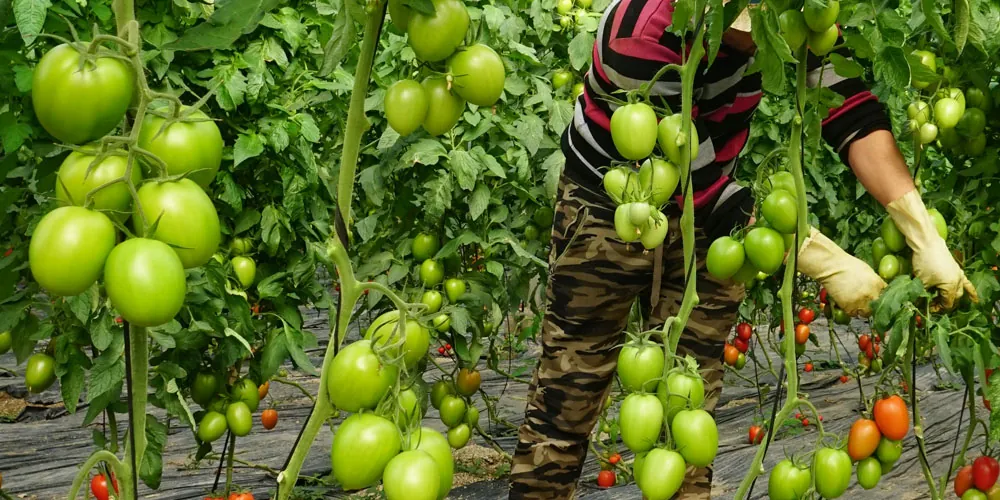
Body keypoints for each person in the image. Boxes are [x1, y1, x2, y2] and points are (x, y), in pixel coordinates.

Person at [509, 0, 977, 498]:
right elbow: (698, 185)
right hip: (611, 209)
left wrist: (920, 229)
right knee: (570, 388)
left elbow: (849, 108)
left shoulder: (795, 17)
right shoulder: (639, 33)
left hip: (721, 224)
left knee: (690, 401)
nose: (760, 38)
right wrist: (824, 262)